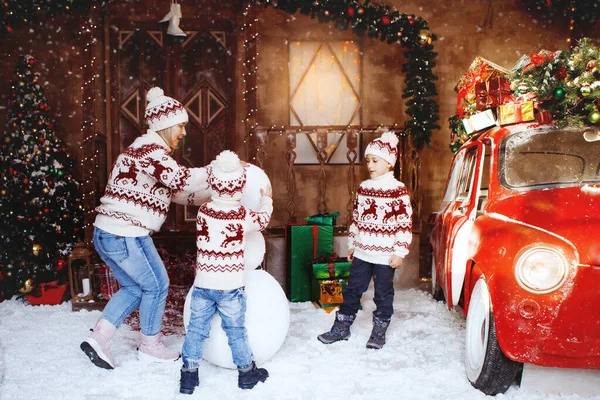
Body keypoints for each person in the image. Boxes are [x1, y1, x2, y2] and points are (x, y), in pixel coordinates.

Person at [81, 87, 211, 369]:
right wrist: (220, 171)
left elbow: (176, 191)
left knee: (133, 287)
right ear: (166, 125)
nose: (184, 133)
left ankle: (99, 338)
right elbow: (181, 180)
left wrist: (214, 193)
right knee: (157, 284)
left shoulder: (144, 151)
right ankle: (150, 345)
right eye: (182, 126)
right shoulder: (151, 152)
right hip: (126, 232)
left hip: (106, 232)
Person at [179, 150, 273, 395]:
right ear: (240, 188)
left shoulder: (204, 213)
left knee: (197, 330)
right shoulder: (241, 215)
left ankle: (188, 376)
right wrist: (267, 200)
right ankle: (246, 373)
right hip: (230, 287)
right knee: (235, 330)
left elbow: (215, 182)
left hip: (203, 285)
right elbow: (262, 220)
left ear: (213, 186)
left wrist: (220, 166)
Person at [317, 131, 413, 349]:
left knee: (383, 292)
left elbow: (404, 223)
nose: (370, 165)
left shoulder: (397, 190)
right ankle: (341, 327)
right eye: (368, 160)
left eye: (375, 161)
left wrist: (399, 252)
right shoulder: (364, 188)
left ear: (389, 163)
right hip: (363, 251)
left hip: (385, 254)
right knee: (353, 289)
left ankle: (379, 330)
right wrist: (352, 244)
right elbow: (357, 219)